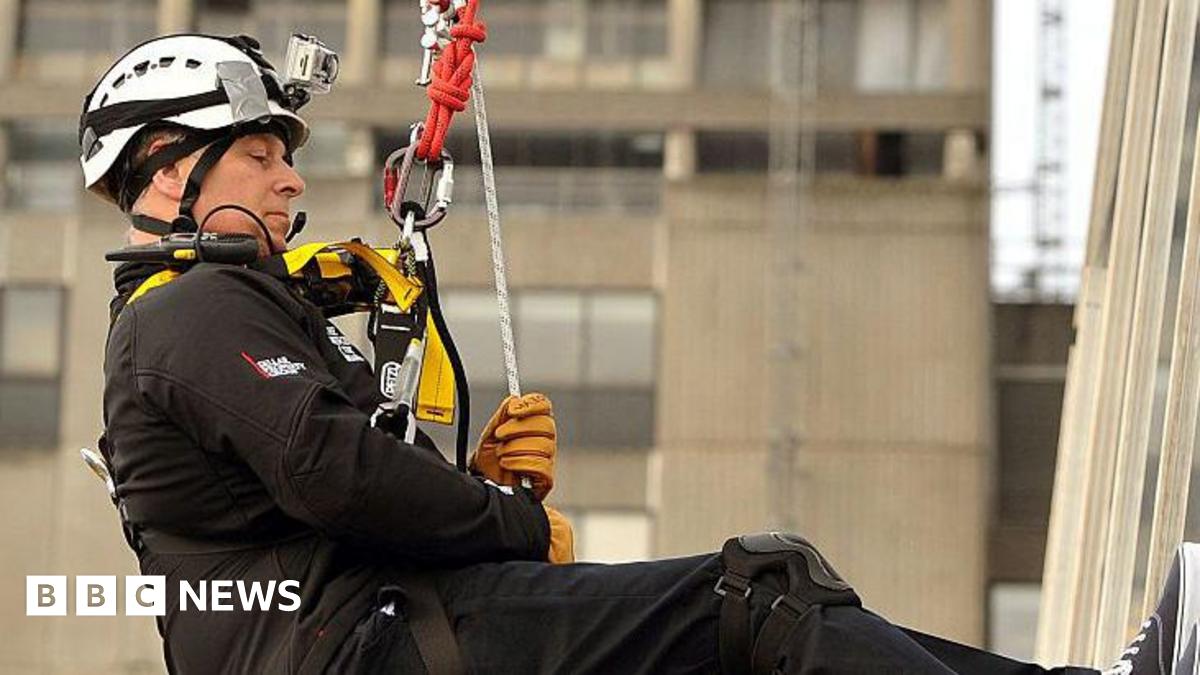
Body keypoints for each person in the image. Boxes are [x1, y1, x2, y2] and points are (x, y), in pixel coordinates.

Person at [83, 33, 1193, 675]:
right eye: (262, 154)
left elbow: (321, 497)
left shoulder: (215, 314)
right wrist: (511, 523)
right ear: (171, 168)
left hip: (374, 635)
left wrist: (474, 491)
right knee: (763, 594)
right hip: (365, 651)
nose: (289, 180)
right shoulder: (183, 316)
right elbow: (339, 475)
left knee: (765, 625)